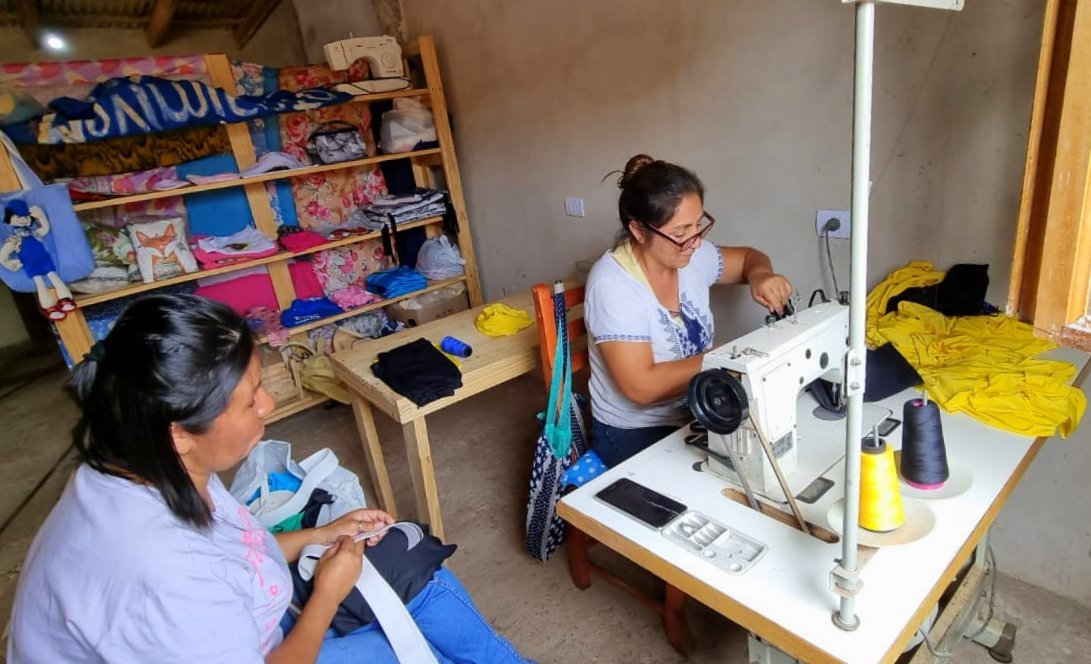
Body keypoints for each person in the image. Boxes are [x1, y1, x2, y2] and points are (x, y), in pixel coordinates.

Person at [8, 293, 532, 664]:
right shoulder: (157, 577)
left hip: (243, 618)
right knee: (399, 649)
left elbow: (229, 549)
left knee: (402, 554)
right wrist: (327, 592)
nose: (270, 404)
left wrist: (320, 535)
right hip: (246, 641)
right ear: (179, 432)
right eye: (250, 397)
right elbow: (197, 574)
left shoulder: (153, 462)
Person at [584, 154, 793, 467]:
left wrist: (761, 276)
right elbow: (641, 387)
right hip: (637, 429)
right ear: (639, 231)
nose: (695, 243)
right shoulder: (612, 285)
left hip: (695, 408)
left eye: (698, 226)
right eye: (681, 233)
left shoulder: (693, 256)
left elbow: (750, 257)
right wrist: (722, 358)